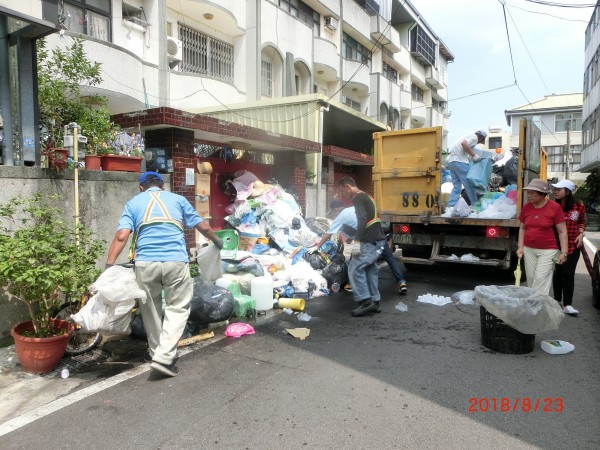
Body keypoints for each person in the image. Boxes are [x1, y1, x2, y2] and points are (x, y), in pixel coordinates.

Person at [106, 172, 223, 377]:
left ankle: (154, 353)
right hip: (175, 262)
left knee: (150, 308)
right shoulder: (177, 200)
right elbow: (202, 226)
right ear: (162, 186)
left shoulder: (133, 203)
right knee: (177, 308)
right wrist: (217, 241)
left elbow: (122, 235)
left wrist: (109, 266)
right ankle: (165, 357)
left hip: (145, 264)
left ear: (141, 187)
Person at [315, 201, 408, 295]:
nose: (333, 214)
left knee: (353, 260)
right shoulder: (353, 208)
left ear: (336, 209)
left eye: (333, 211)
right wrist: (350, 239)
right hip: (378, 233)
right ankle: (401, 282)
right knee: (389, 258)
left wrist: (317, 246)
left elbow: (327, 235)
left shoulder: (341, 217)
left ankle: (352, 284)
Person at [338, 177, 387, 316]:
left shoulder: (358, 198)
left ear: (348, 187)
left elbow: (362, 220)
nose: (344, 196)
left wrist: (357, 241)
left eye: (343, 192)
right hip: (377, 240)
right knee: (370, 269)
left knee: (354, 267)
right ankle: (375, 302)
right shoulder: (367, 196)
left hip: (369, 241)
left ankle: (365, 301)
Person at [516, 178, 568, 296]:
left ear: (542, 194)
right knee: (531, 278)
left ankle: (537, 307)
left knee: (540, 279)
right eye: (528, 192)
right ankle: (535, 305)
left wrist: (564, 252)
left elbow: (562, 231)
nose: (529, 195)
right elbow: (522, 228)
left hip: (549, 250)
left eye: (532, 193)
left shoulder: (554, 207)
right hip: (529, 249)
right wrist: (520, 247)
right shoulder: (527, 207)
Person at [551, 179, 586, 316]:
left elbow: (582, 222)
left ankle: (567, 304)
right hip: (556, 245)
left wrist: (581, 234)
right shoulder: (553, 205)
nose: (556, 191)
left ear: (568, 191)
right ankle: (556, 301)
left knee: (568, 274)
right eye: (555, 189)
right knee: (558, 273)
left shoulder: (579, 206)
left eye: (559, 189)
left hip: (573, 244)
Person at [446, 130, 487, 207]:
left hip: (452, 162)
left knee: (456, 187)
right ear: (481, 137)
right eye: (481, 141)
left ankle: (450, 206)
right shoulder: (474, 138)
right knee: (469, 185)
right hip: (460, 162)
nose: (478, 142)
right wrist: (473, 155)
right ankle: (475, 206)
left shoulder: (465, 136)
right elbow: (464, 144)